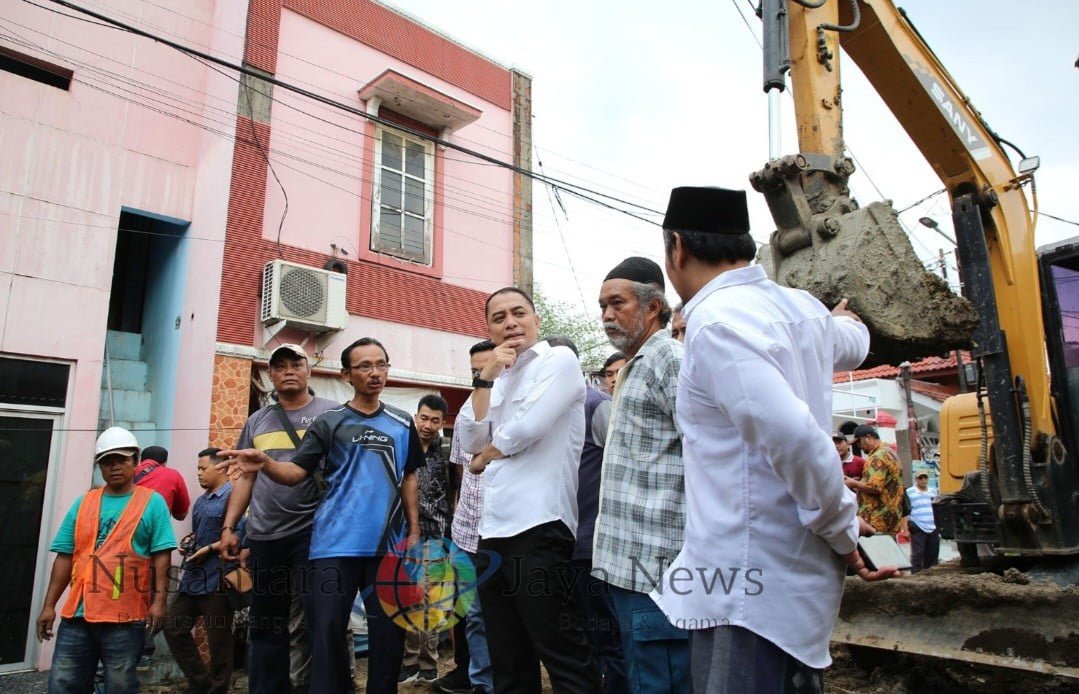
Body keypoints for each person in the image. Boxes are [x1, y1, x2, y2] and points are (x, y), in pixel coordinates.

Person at [651, 186, 899, 692]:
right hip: (788, 585)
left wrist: (841, 529)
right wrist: (844, 321)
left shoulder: (716, 323)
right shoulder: (804, 310)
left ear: (677, 248)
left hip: (745, 589)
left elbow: (797, 440)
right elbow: (855, 341)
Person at [221, 337, 423, 694]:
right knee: (326, 633)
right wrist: (266, 462)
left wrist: (414, 530)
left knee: (389, 633)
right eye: (364, 366)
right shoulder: (329, 422)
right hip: (331, 546)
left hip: (386, 546)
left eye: (381, 364)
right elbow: (295, 473)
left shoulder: (402, 421)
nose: (374, 373)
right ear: (346, 374)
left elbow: (409, 477)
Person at [457, 287, 601, 693]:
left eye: (518, 313)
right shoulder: (498, 378)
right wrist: (484, 378)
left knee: (563, 653)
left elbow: (527, 429)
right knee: (508, 659)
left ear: (536, 319)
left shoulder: (559, 360)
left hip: (539, 526)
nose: (509, 323)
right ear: (489, 327)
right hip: (493, 532)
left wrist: (487, 456)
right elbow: (468, 436)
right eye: (498, 317)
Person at [217, 343, 339, 694]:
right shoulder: (257, 421)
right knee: (266, 624)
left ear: (308, 369)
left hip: (316, 534)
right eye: (280, 365)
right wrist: (230, 528)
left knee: (321, 622)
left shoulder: (332, 414)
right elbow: (244, 477)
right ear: (269, 374)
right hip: (266, 536)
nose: (288, 370)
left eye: (295, 363)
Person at [593, 256, 687, 693]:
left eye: (617, 303)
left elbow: (705, 452)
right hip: (626, 569)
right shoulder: (634, 366)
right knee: (641, 675)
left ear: (653, 307)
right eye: (602, 307)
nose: (607, 316)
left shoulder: (669, 358)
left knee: (661, 680)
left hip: (658, 568)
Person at [36, 427, 176, 694]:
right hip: (78, 615)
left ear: (135, 461)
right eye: (107, 461)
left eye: (121, 460)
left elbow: (162, 556)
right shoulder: (84, 502)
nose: (114, 467)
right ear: (99, 466)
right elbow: (65, 555)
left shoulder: (152, 503)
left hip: (124, 616)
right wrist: (49, 606)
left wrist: (159, 602)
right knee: (63, 684)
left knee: (119, 686)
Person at [433, 340, 497, 694]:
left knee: (509, 615)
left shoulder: (517, 410)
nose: (482, 375)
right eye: (475, 370)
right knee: (472, 616)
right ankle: (481, 684)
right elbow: (460, 474)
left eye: (488, 367)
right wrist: (458, 520)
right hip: (467, 532)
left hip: (507, 531)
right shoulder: (466, 415)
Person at [164, 448, 238, 694]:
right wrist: (192, 543)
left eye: (202, 468)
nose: (198, 474)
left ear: (221, 468)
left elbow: (242, 534)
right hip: (194, 577)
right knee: (173, 627)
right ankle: (201, 683)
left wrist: (209, 549)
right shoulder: (201, 501)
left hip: (219, 578)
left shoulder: (234, 497)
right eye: (197, 469)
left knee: (219, 642)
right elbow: (199, 534)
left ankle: (217, 689)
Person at [399, 394, 453, 684]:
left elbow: (453, 490)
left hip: (434, 535)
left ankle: (427, 663)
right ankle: (408, 661)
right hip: (401, 535)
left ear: (442, 423)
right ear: (415, 416)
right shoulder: (401, 448)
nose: (428, 425)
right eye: (424, 417)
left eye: (435, 420)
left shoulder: (444, 452)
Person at [853, 424, 905, 535]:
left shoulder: (878, 456)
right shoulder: (890, 452)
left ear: (868, 438)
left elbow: (874, 487)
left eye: (859, 442)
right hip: (891, 519)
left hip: (877, 520)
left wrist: (852, 483)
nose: (859, 446)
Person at [135, 445, 190, 521]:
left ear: (141, 461)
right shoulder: (173, 475)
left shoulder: (129, 472)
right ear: (164, 463)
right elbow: (181, 515)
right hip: (158, 529)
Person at [903, 472, 940, 572]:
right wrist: (905, 529)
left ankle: (930, 574)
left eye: (925, 478)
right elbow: (905, 511)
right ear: (916, 479)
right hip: (917, 524)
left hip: (932, 526)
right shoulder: (910, 492)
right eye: (920, 478)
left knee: (932, 553)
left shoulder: (933, 492)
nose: (923, 480)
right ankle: (916, 574)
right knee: (918, 553)